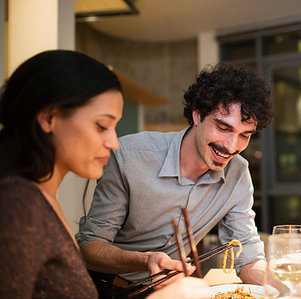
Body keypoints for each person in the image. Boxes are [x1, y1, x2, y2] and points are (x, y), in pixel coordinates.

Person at [0, 50, 210, 299]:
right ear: (49, 118)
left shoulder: (41, 197)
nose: (114, 142)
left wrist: (147, 260)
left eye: (114, 127)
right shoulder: (16, 203)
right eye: (101, 126)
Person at [76, 63, 274, 295]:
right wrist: (145, 260)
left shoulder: (237, 173)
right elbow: (90, 247)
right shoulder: (129, 157)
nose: (232, 147)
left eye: (244, 135)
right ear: (197, 114)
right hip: (108, 288)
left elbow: (248, 255)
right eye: (223, 127)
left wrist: (287, 286)